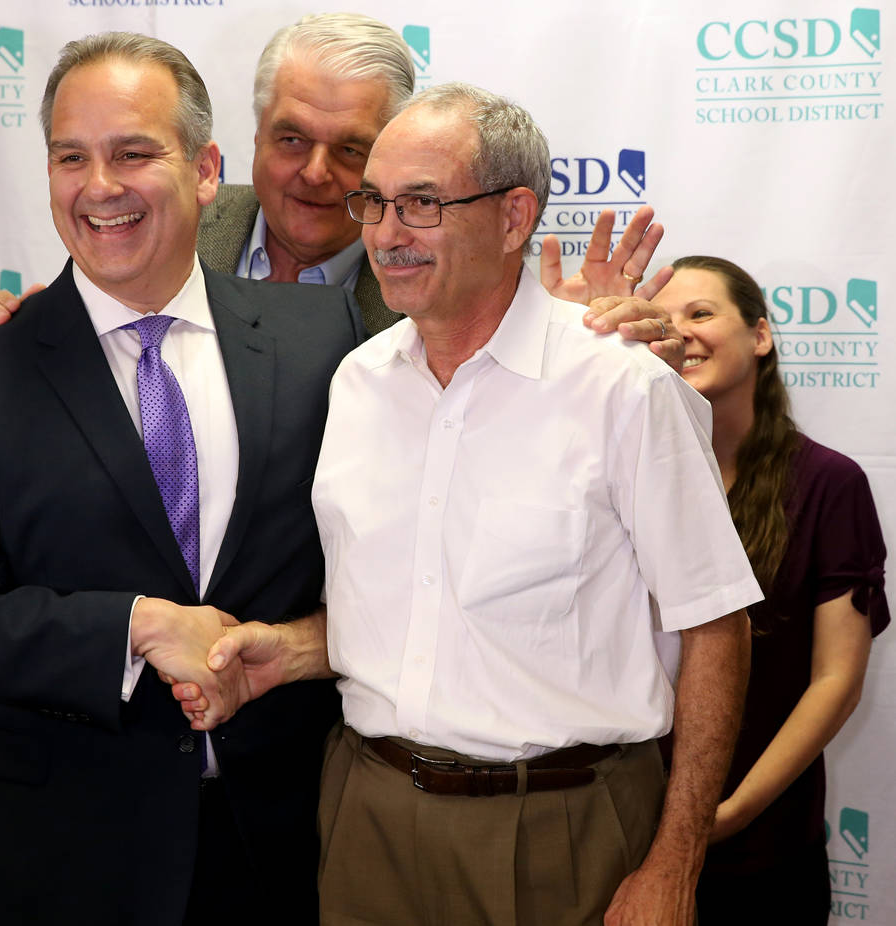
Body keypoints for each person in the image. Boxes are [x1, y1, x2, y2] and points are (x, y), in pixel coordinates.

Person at [168, 83, 763, 926]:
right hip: (366, 817)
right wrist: (294, 651)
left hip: (566, 826)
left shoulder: (621, 386)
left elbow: (716, 625)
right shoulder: (357, 383)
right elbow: (414, 604)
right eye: (375, 202)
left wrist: (676, 860)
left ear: (515, 217)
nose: (384, 232)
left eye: (421, 204)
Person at [0, 32, 362, 926]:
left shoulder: (322, 337)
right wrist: (134, 628)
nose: (99, 186)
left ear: (207, 168)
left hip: (281, 851)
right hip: (51, 856)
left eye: (134, 152)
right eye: (72, 157)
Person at [0, 13, 680, 354]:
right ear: (244, 143)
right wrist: (9, 336)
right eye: (291, 139)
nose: (317, 174)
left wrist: (564, 341)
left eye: (352, 150)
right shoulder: (168, 219)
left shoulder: (447, 273)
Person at [651, 256, 889, 925]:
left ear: (760, 335)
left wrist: (728, 813)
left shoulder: (828, 484)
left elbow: (835, 680)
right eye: (664, 320)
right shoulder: (626, 472)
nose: (682, 334)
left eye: (701, 313)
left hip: (760, 846)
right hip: (623, 831)